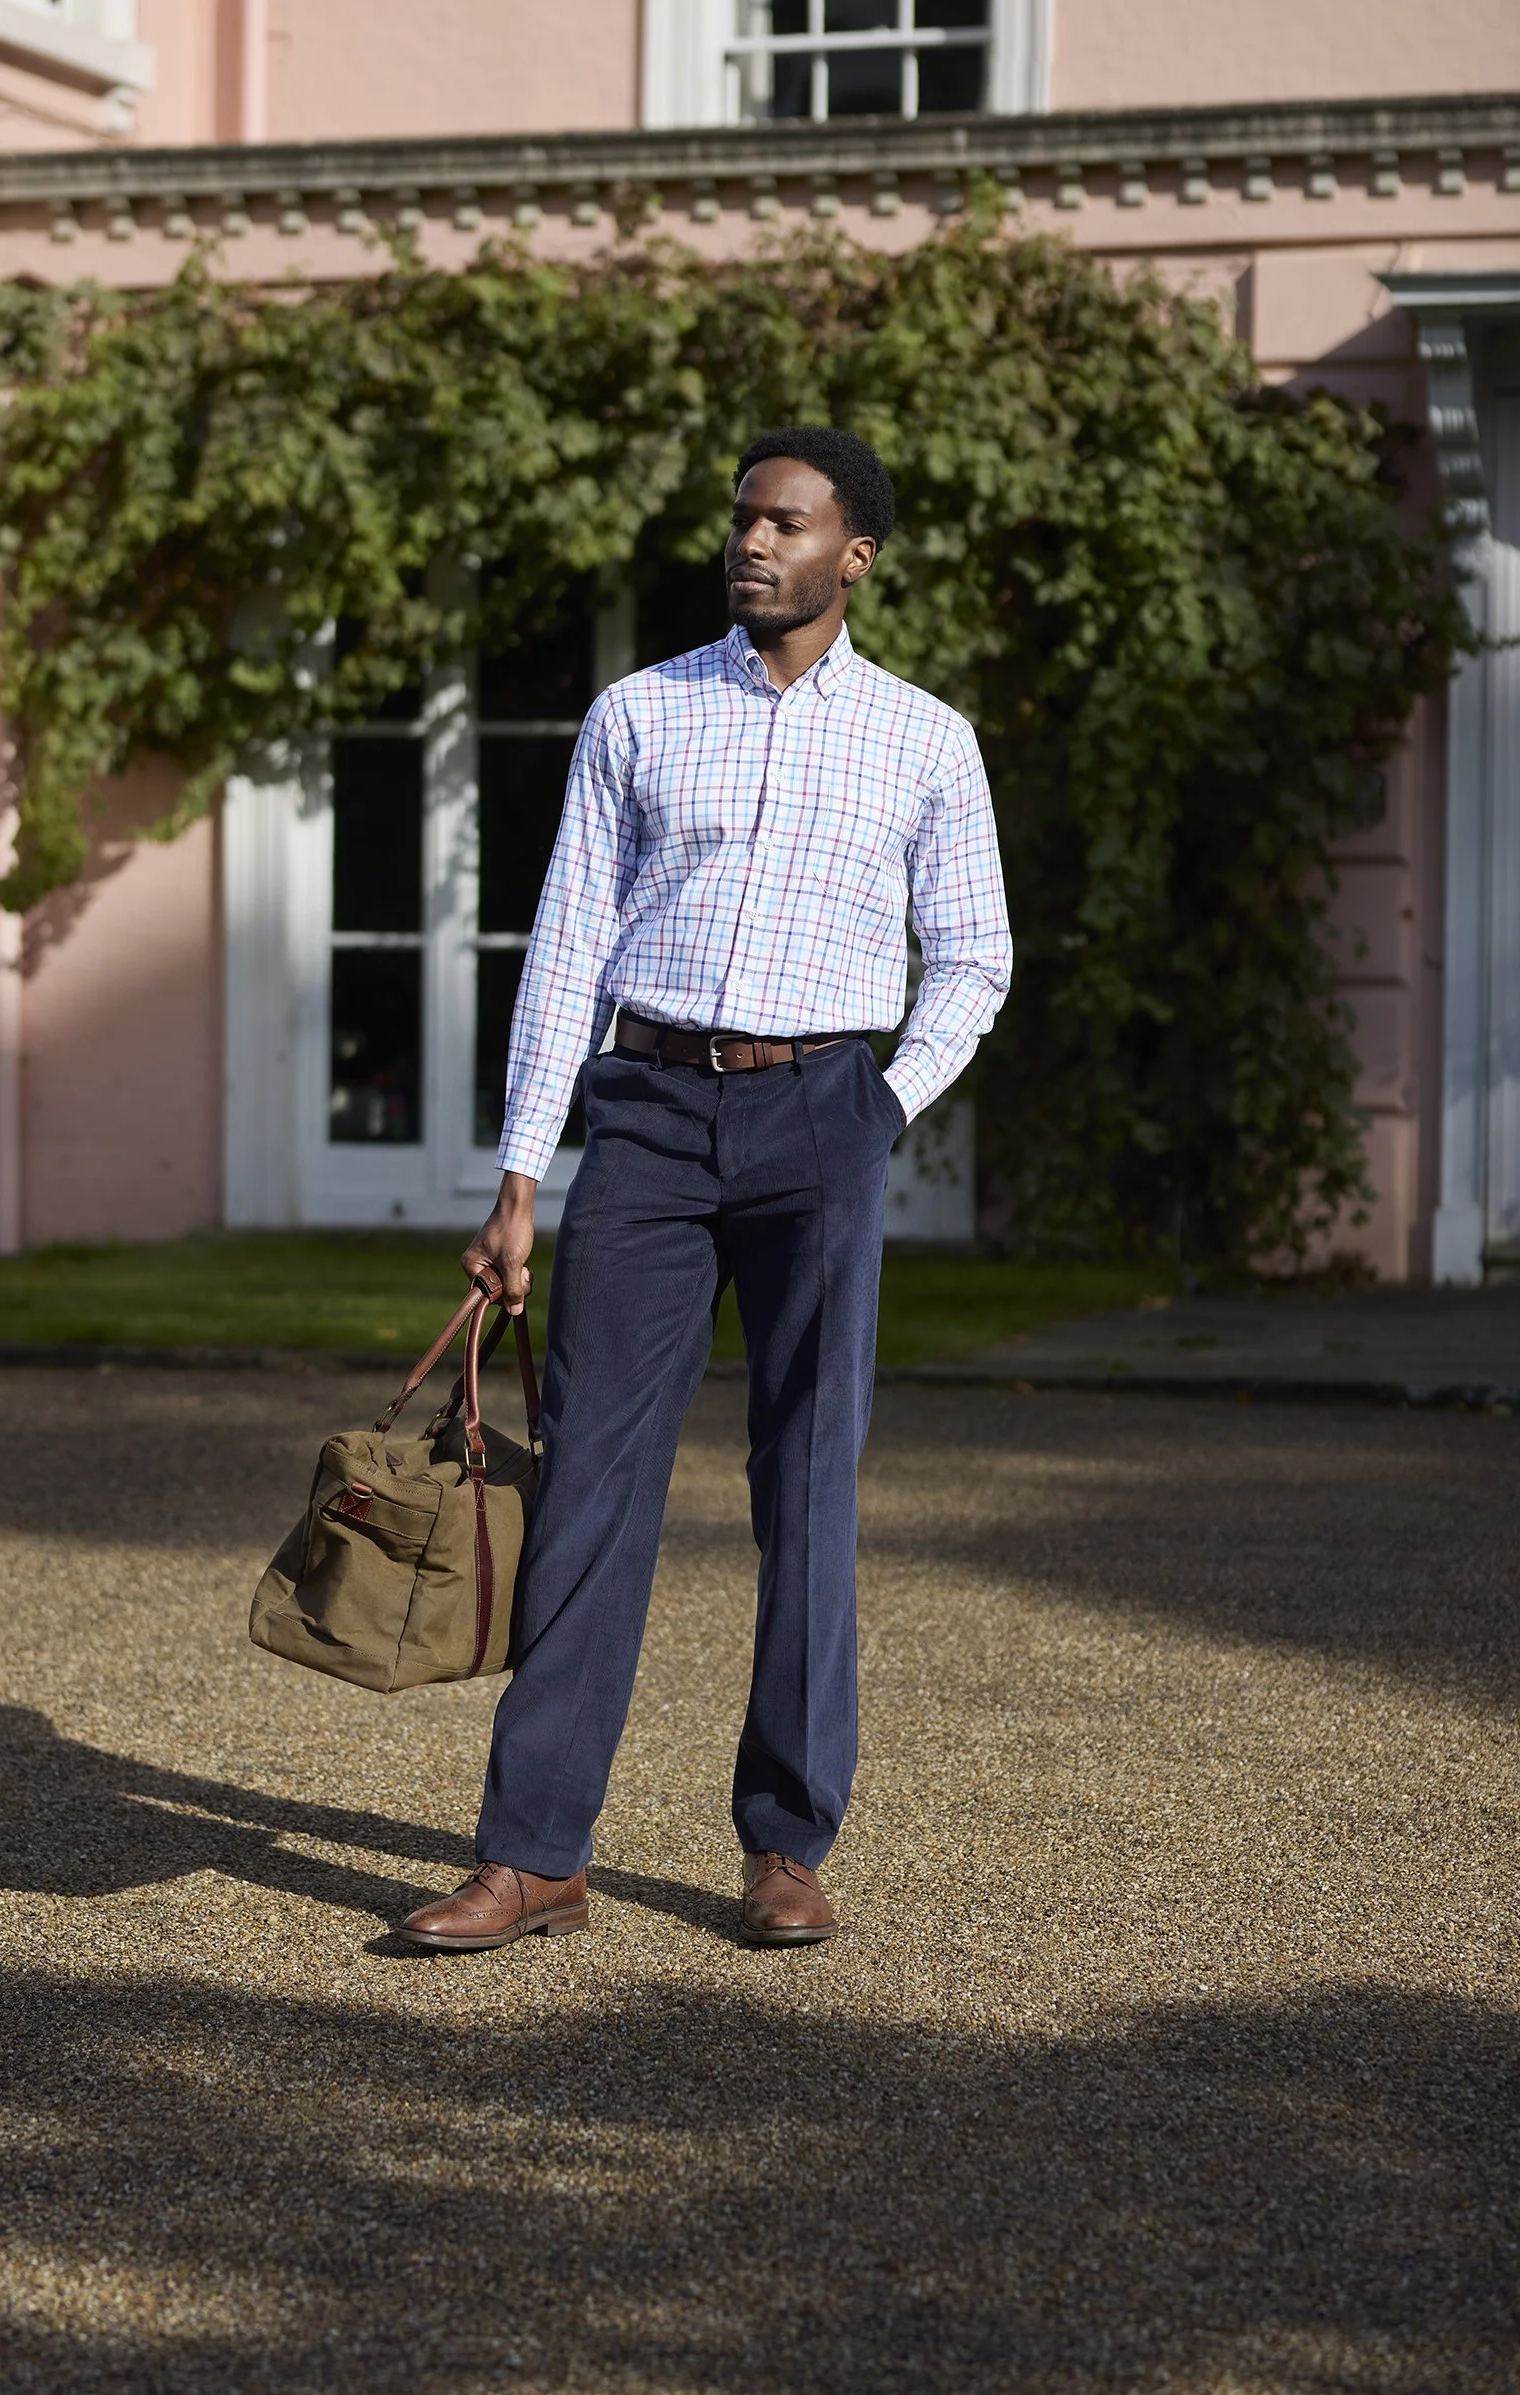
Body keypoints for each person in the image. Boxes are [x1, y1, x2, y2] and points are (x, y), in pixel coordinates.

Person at [396, 426, 1011, 1954]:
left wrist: (878, 1106)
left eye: (786, 523)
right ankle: (533, 1855)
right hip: (650, 1117)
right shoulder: (640, 712)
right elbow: (566, 945)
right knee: (589, 1481)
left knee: (806, 1482)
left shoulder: (925, 740)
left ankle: (786, 1842)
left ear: (853, 556)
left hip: (822, 1113)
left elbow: (975, 957)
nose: (751, 541)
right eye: (743, 518)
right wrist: (520, 1173)